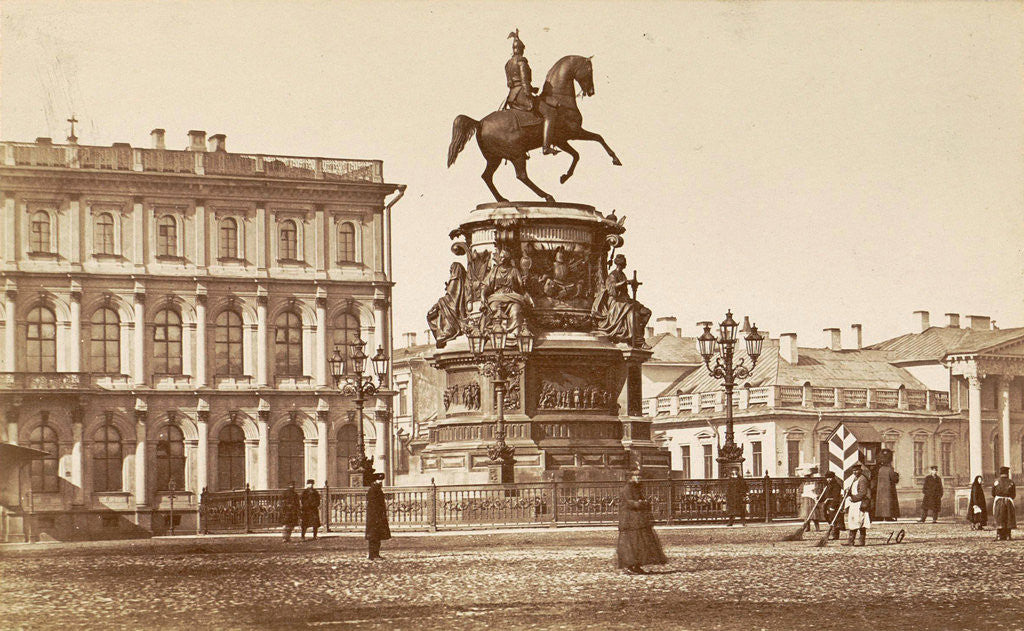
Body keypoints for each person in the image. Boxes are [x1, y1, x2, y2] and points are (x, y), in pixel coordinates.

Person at [504, 30, 558, 155]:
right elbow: (523, 80)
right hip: (522, 94)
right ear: (521, 49)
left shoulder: (508, 64)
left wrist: (531, 88)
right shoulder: (522, 61)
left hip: (512, 96)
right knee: (549, 113)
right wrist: (529, 92)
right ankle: (546, 146)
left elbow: (510, 83)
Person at [591, 254, 652, 346]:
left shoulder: (622, 275)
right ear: (620, 264)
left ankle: (638, 331)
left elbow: (625, 290)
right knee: (632, 313)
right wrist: (625, 282)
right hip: (616, 301)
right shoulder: (612, 275)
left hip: (625, 299)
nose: (626, 265)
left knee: (647, 312)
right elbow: (611, 288)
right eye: (624, 263)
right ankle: (638, 340)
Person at [615, 471, 667, 574]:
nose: (639, 478)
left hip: (638, 520)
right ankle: (630, 565)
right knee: (632, 542)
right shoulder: (627, 488)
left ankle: (637, 565)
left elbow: (642, 501)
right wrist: (640, 503)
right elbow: (630, 503)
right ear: (631, 477)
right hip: (629, 521)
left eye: (640, 476)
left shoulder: (637, 488)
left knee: (641, 542)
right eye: (636, 476)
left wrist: (642, 502)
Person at [426, 262, 470, 348]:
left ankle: (446, 333)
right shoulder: (459, 280)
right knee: (432, 317)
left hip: (452, 309)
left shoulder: (455, 279)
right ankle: (443, 335)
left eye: (452, 268)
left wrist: (438, 304)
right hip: (452, 307)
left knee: (432, 316)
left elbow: (451, 297)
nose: (450, 270)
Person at [365, 473, 391, 559]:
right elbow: (372, 506)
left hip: (378, 517)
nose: (380, 482)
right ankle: (372, 555)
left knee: (377, 536)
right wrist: (376, 517)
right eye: (379, 480)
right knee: (373, 536)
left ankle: (376, 554)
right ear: (374, 481)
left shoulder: (378, 489)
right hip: (374, 517)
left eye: (381, 480)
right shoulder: (372, 490)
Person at [845, 463, 871, 547]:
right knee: (854, 522)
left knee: (860, 522)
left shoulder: (862, 479)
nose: (855, 472)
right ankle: (851, 541)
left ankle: (861, 541)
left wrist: (853, 498)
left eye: (856, 470)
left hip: (860, 504)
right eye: (853, 471)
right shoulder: (855, 479)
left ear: (860, 470)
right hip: (854, 504)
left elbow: (862, 493)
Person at [871, 448, 900, 521]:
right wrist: (897, 475)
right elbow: (895, 479)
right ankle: (888, 516)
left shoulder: (878, 469)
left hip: (879, 490)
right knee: (888, 503)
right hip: (888, 490)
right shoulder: (890, 469)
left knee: (880, 503)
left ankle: (879, 516)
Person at [992, 466, 1016, 541]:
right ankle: (1008, 535)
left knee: (999, 517)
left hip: (999, 501)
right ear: (1007, 473)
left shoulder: (996, 482)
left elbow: (993, 493)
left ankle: (999, 535)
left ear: (1000, 473)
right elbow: (1013, 494)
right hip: (1008, 501)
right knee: (1008, 517)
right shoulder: (1011, 482)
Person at [821, 471, 845, 540]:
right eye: (827, 478)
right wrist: (819, 499)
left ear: (833, 478)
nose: (829, 479)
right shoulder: (827, 486)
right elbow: (824, 495)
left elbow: (836, 497)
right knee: (828, 517)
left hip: (833, 504)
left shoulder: (836, 486)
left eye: (830, 478)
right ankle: (833, 532)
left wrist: (833, 506)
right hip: (827, 504)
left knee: (834, 519)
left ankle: (835, 535)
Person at [799, 466, 822, 532]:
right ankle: (807, 527)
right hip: (805, 500)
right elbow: (800, 491)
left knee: (815, 514)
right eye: (806, 476)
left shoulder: (814, 483)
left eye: (808, 476)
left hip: (812, 500)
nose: (807, 478)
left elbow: (818, 490)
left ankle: (817, 527)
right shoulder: (803, 484)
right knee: (806, 514)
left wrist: (816, 495)